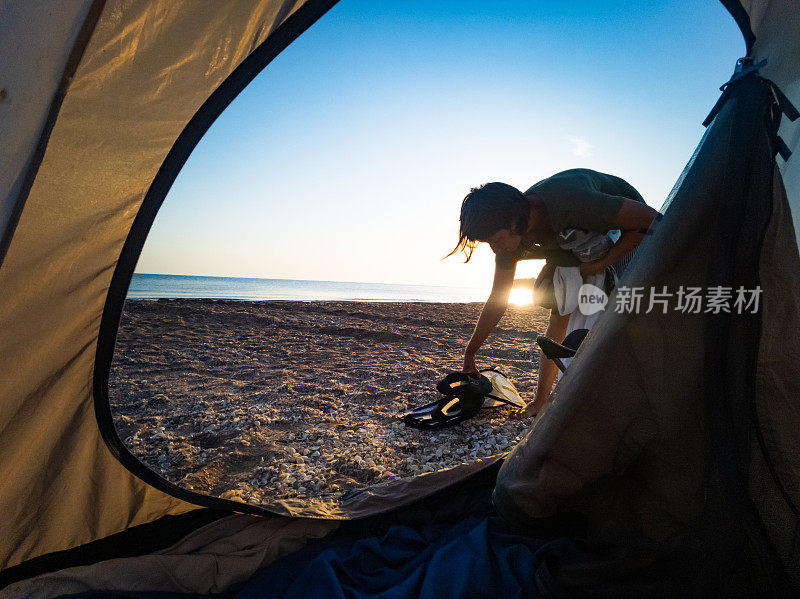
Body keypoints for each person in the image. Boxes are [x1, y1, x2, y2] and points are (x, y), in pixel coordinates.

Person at [449, 168, 657, 418]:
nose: (495, 249)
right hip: (570, 241)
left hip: (626, 229)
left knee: (624, 304)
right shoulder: (512, 237)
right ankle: (541, 400)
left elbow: (652, 221)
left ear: (514, 222)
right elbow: (497, 301)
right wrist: (470, 353)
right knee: (561, 306)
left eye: (495, 239)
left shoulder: (570, 202)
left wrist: (601, 264)